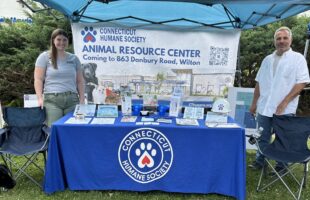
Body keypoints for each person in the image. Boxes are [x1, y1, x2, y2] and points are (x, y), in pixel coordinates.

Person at [249, 26, 310, 172]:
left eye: (285, 38)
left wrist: (285, 102)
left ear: (291, 40)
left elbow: (302, 82)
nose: (281, 41)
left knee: (283, 138)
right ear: (274, 41)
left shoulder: (298, 59)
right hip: (264, 107)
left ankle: (281, 166)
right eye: (278, 38)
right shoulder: (267, 59)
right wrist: (254, 104)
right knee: (262, 136)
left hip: (284, 109)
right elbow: (259, 82)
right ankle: (260, 161)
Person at [34, 28, 84, 127]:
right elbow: (38, 79)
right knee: (54, 130)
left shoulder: (74, 59)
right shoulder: (44, 57)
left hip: (72, 100)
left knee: (72, 130)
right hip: (52, 101)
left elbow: (80, 81)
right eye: (59, 39)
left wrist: (82, 99)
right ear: (53, 40)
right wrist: (39, 98)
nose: (62, 42)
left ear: (68, 41)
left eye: (64, 40)